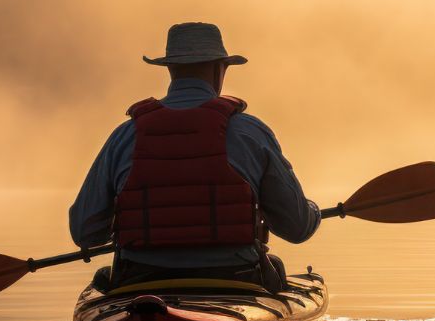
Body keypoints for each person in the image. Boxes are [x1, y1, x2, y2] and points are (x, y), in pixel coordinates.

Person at [69, 22, 320, 293]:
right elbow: (297, 228)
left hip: (140, 284)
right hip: (236, 281)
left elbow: (84, 233)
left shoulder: (124, 136)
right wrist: (312, 211)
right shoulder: (251, 133)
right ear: (218, 69)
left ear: (170, 69)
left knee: (102, 278)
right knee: (277, 268)